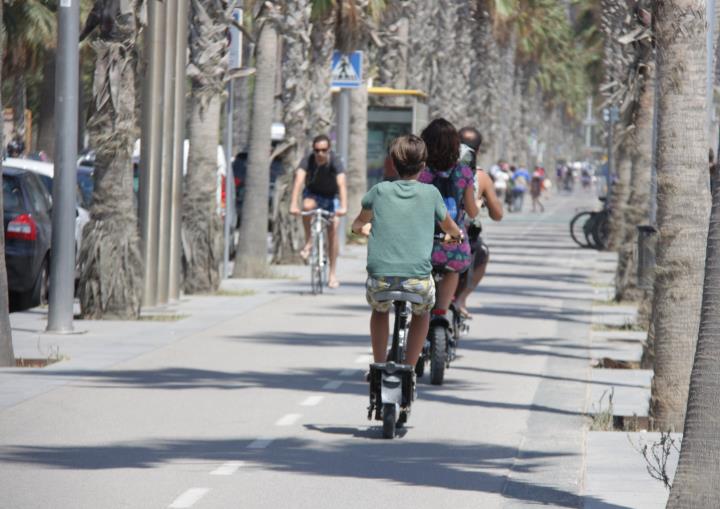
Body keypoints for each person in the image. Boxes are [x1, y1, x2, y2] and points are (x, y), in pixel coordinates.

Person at [352, 135, 463, 365]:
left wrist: (367, 229)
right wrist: (455, 236)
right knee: (422, 312)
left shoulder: (379, 191)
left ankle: (379, 365)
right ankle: (410, 369)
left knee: (380, 311)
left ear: (393, 162)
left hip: (381, 279)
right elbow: (450, 227)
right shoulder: (431, 193)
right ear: (424, 165)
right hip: (417, 279)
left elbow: (357, 225)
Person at [418, 118, 479, 319]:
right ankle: (441, 311)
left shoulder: (420, 172)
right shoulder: (464, 172)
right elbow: (471, 211)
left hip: (422, 242)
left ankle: (421, 311)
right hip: (452, 242)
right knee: (452, 270)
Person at [454, 127, 504, 318]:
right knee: (481, 255)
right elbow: (497, 214)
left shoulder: (436, 169)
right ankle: (461, 298)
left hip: (433, 234)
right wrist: (483, 202)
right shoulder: (480, 176)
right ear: (479, 150)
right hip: (462, 237)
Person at [290, 134, 348, 289]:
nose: (320, 154)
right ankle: (309, 241)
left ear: (329, 150)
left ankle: (332, 274)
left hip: (331, 197)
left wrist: (343, 206)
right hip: (313, 194)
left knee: (333, 229)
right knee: (307, 207)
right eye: (317, 150)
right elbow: (299, 180)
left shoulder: (335, 161)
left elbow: (342, 183)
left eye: (324, 150)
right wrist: (293, 204)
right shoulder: (308, 160)